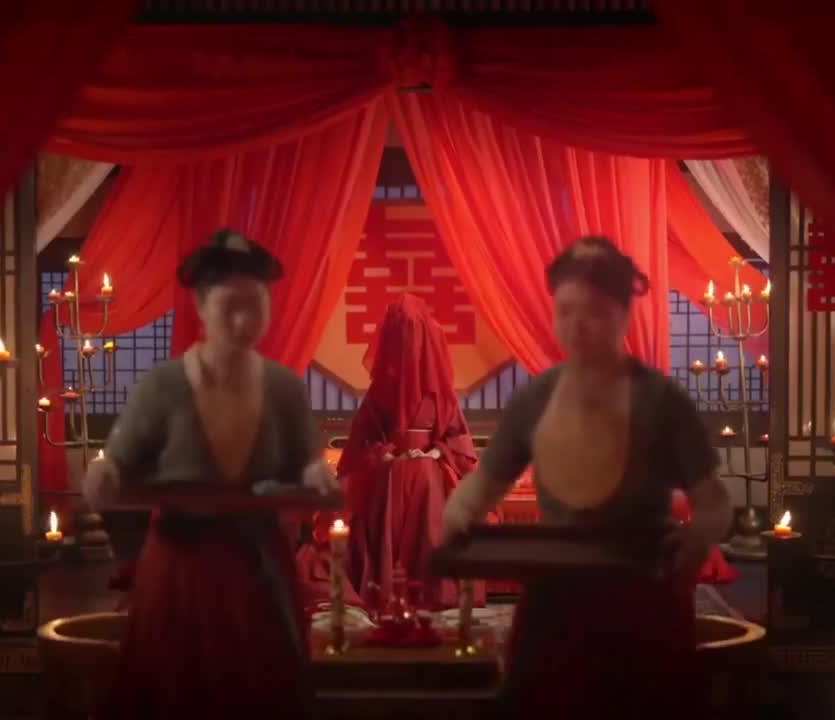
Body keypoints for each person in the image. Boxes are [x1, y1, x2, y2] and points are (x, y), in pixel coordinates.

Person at [442, 236, 732, 717]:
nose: (578, 325)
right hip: (556, 592)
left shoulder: (661, 400)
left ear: (624, 313)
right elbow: (485, 483)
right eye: (566, 311)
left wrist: (699, 537)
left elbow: (714, 499)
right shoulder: (535, 398)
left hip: (642, 588)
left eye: (594, 311)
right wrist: (458, 511)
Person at [83, 229, 337, 718]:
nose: (244, 321)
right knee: (176, 689)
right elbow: (119, 456)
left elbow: (307, 459)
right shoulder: (162, 385)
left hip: (257, 563)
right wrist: (104, 471)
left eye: (255, 306)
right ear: (201, 307)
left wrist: (316, 476)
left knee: (261, 690)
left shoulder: (283, 386)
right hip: (182, 564)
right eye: (230, 307)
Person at [339, 294, 484, 610]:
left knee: (425, 478)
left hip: (428, 471)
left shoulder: (439, 394)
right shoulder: (380, 392)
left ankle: (427, 589)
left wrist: (435, 454)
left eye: (413, 334)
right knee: (401, 477)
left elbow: (457, 439)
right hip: (389, 471)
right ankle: (391, 589)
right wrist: (387, 455)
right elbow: (361, 442)